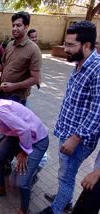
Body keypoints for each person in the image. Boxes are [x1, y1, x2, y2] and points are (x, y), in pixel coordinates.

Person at [39, 21, 100, 214]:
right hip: (69, 132)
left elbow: (97, 111)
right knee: (64, 173)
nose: (66, 49)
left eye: (71, 45)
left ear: (87, 45)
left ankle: (57, 208)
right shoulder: (82, 63)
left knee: (66, 175)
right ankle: (64, 199)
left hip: (78, 139)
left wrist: (76, 137)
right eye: (65, 44)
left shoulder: (97, 70)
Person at [0, 12, 41, 105]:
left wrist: (13, 86)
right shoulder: (10, 44)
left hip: (18, 98)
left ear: (26, 27)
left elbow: (35, 79)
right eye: (13, 25)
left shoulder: (34, 49)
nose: (14, 28)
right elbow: (3, 66)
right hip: (3, 92)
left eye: (18, 25)